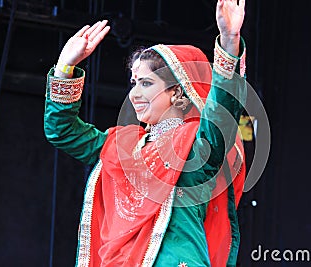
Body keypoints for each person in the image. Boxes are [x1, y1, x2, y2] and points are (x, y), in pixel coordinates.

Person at [44, 0, 247, 266]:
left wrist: (229, 42)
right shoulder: (121, 146)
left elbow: (221, 114)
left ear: (176, 92)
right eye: (134, 83)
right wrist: (64, 67)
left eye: (147, 83)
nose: (135, 94)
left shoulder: (195, 146)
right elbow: (62, 131)